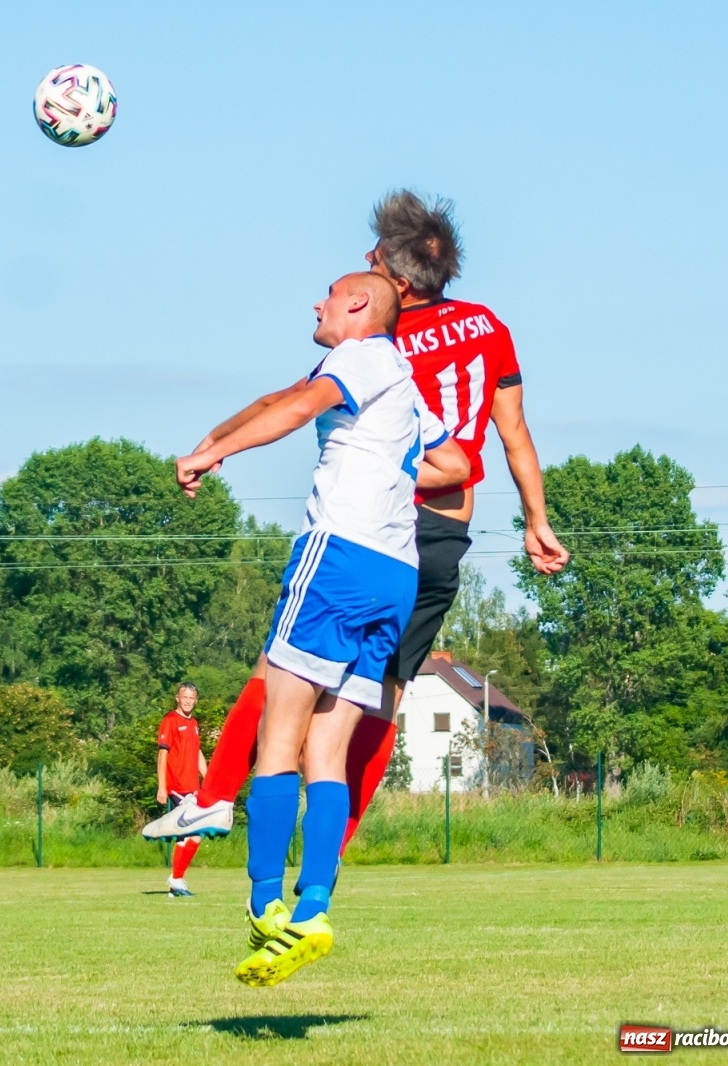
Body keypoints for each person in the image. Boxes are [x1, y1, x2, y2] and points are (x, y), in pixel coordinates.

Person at [145, 191, 567, 850]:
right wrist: (536, 520)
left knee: (277, 673)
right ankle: (328, 858)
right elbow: (513, 433)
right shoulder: (489, 325)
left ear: (394, 281)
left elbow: (288, 400)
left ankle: (215, 797)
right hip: (441, 542)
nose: (359, 264)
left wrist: (214, 443)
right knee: (379, 701)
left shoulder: (380, 342)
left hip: (371, 530)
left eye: (371, 256)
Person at [172, 272, 469, 986]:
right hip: (396, 573)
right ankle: (315, 907)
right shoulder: (401, 377)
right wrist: (392, 467)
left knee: (279, 738)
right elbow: (455, 462)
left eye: (329, 294)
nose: (317, 303)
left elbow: (301, 405)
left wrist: (214, 453)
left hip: (337, 553)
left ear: (360, 306)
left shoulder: (362, 354)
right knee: (327, 753)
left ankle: (265, 903)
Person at [155, 684, 208, 897]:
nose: (187, 700)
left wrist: (209, 778)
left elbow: (197, 752)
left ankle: (175, 884)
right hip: (177, 787)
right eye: (184, 696)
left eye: (191, 697)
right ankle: (176, 878)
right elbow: (162, 755)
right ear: (177, 698)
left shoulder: (194, 723)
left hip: (192, 788)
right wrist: (162, 786)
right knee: (195, 830)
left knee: (188, 834)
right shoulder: (170, 721)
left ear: (196, 700)